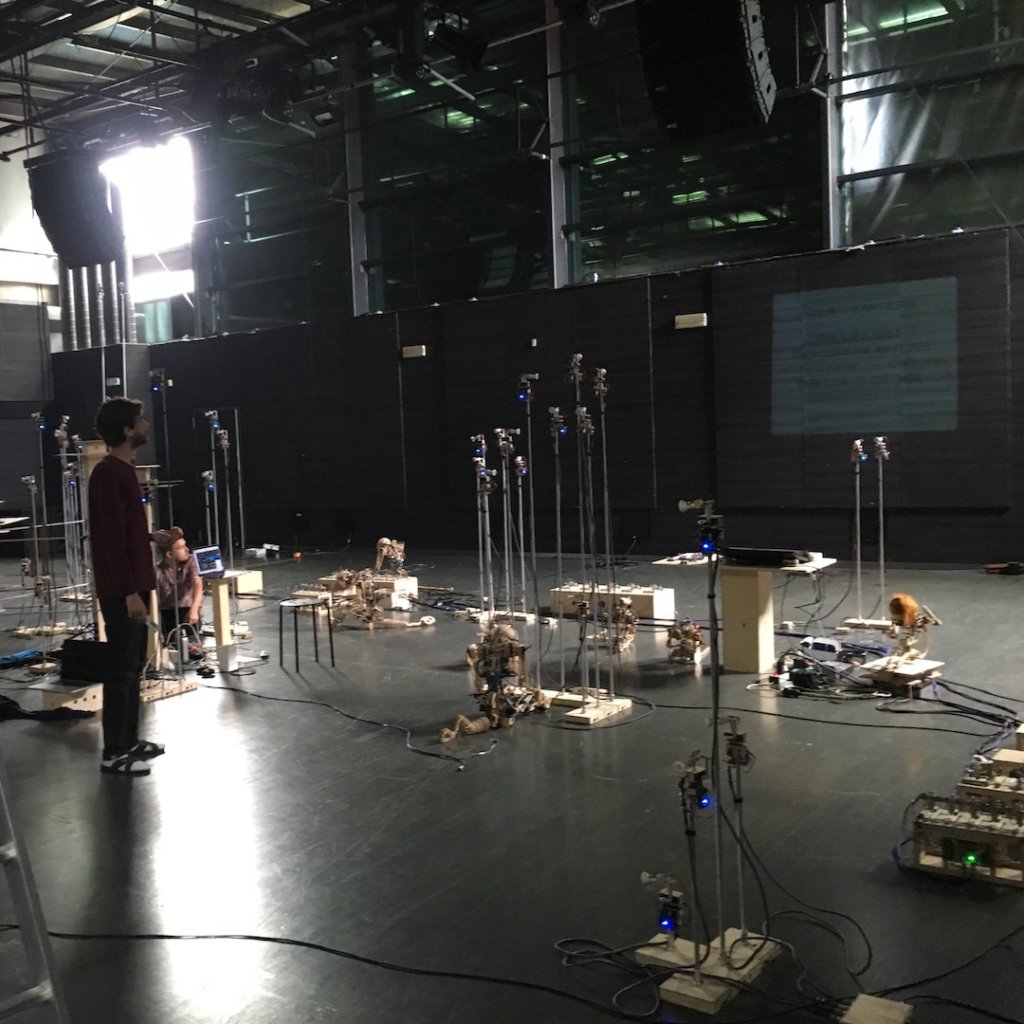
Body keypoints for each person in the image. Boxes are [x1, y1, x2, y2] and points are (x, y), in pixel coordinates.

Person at [88, 397, 164, 776]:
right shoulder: (108, 474)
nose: (145, 425)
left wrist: (151, 537)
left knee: (133, 667)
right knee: (120, 671)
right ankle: (113, 752)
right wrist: (130, 592)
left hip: (134, 583)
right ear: (126, 429)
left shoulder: (124, 471)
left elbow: (124, 531)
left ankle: (129, 740)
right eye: (140, 420)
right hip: (123, 590)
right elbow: (108, 540)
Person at [152, 526, 203, 646]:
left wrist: (194, 609)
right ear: (169, 554)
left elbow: (197, 583)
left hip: (187, 611)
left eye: (185, 545)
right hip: (166, 614)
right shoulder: (158, 571)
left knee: (190, 644)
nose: (187, 549)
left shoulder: (190, 561)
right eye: (181, 548)